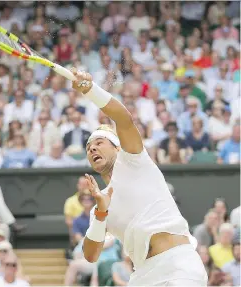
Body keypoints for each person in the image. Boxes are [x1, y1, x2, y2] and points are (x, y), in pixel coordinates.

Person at [72, 69, 207, 285]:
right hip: (142, 275)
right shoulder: (100, 203)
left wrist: (91, 90)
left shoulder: (134, 160)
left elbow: (123, 119)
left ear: (117, 148)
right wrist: (100, 213)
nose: (92, 149)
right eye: (89, 148)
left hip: (178, 265)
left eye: (99, 143)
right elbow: (90, 255)